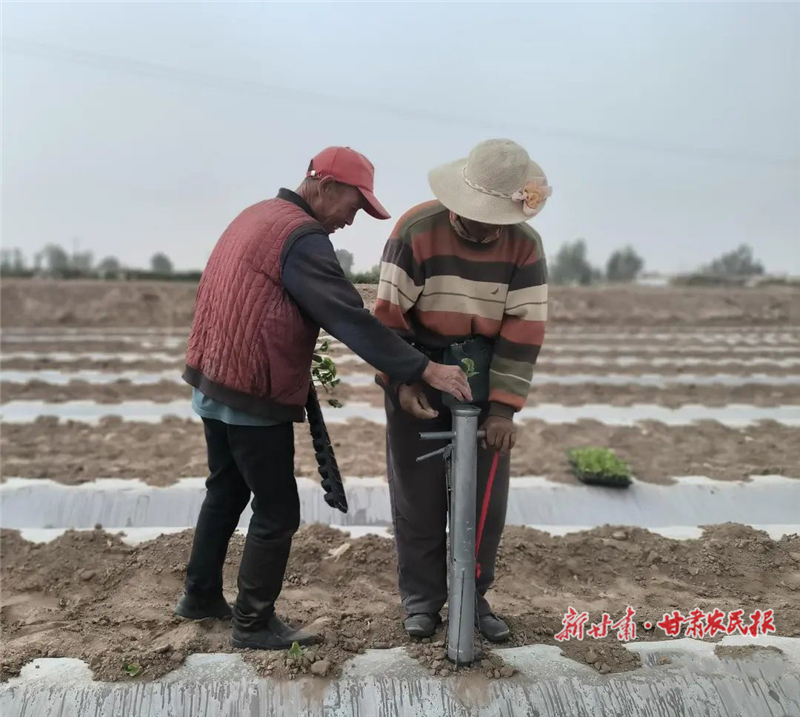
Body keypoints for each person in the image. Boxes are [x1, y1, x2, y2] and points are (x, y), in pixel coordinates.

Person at [174, 146, 472, 651]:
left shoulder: (259, 215)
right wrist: (424, 368)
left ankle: (199, 596)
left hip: (213, 378)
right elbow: (348, 317)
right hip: (250, 388)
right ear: (325, 186)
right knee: (277, 512)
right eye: (354, 208)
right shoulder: (303, 238)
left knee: (225, 490)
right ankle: (253, 623)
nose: (351, 222)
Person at [373, 139, 551, 641]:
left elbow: (524, 330)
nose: (489, 227)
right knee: (418, 491)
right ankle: (423, 600)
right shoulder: (415, 232)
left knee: (484, 499)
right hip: (419, 359)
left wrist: (503, 410)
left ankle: (473, 598)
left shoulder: (526, 247)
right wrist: (406, 380)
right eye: (481, 215)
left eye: (499, 217)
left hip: (485, 367)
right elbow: (387, 320)